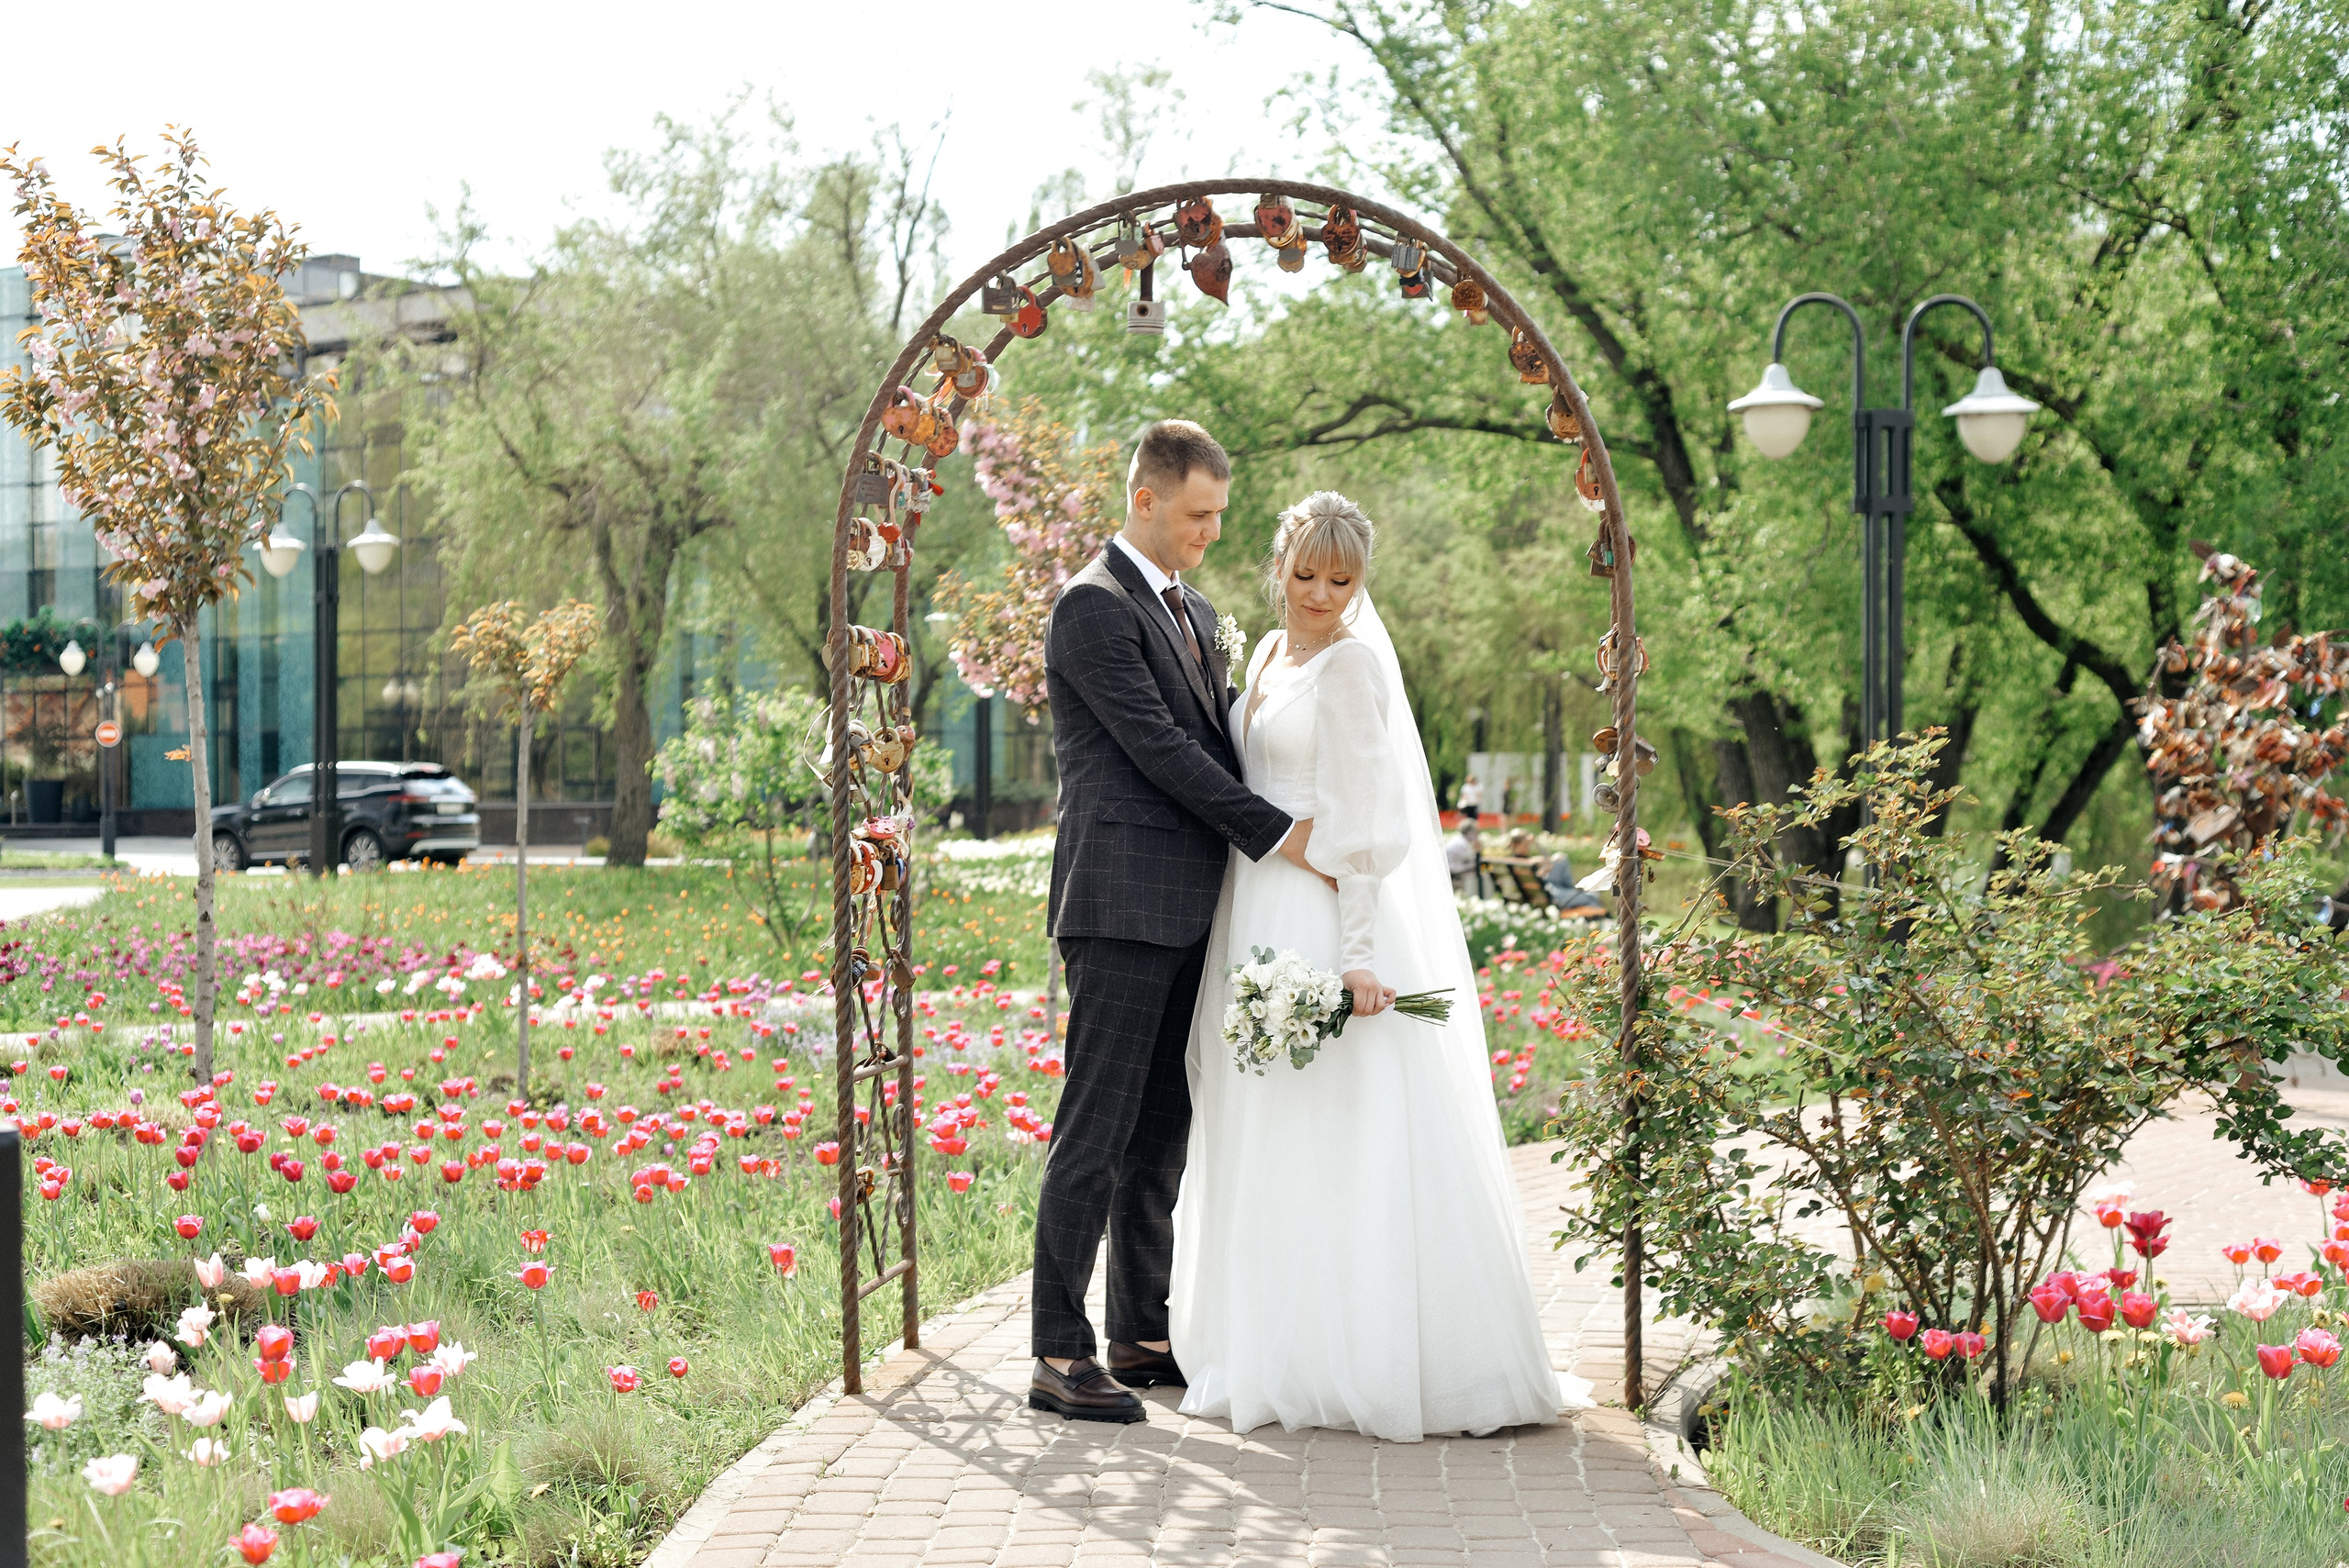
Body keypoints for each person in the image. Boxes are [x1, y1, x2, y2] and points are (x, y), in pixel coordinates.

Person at [1169, 491, 1592, 1440]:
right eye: (1306, 573)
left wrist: (1359, 956)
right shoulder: (1273, 655)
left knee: (1332, 1126)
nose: (1320, 594)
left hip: (1320, 912)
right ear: (1278, 564)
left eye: (1342, 579)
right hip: (1255, 901)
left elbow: (1366, 826)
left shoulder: (1354, 667)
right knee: (1264, 1122)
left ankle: (1358, 1354)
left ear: (1361, 582)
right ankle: (1271, 1340)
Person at [1031, 420, 1324, 1425]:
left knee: (1162, 1133)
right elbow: (1158, 747)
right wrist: (1278, 832)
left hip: (1193, 907)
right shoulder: (1091, 607)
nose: (1208, 532)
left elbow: (1228, 736)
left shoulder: (1194, 608)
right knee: (1096, 1129)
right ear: (1143, 497)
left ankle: (1139, 1333)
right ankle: (1056, 1349)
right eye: (1196, 514)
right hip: (1117, 904)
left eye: (1217, 516)